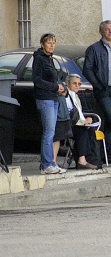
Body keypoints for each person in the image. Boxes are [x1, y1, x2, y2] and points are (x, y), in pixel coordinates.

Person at [83, 20, 111, 164]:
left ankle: (107, 156)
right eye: (107, 29)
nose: (110, 32)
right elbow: (87, 69)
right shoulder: (94, 49)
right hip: (103, 89)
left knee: (109, 124)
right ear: (101, 32)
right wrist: (97, 85)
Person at [32, 33, 66, 174]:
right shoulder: (39, 59)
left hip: (53, 98)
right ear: (42, 44)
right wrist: (54, 87)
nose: (52, 45)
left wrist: (60, 88)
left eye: (53, 42)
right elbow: (37, 80)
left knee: (51, 132)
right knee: (48, 131)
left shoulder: (50, 59)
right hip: (45, 98)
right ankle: (46, 164)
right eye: (49, 42)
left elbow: (53, 79)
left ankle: (50, 162)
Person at [65, 74, 98, 170]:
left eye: (79, 84)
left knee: (89, 129)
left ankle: (90, 159)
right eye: (74, 83)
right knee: (82, 131)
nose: (77, 86)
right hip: (68, 124)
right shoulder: (66, 96)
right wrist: (83, 122)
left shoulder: (75, 96)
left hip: (76, 123)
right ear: (67, 83)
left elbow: (79, 114)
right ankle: (82, 160)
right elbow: (70, 113)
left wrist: (86, 121)